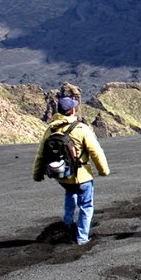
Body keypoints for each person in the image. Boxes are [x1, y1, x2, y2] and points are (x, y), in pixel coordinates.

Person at [32, 95, 110, 245]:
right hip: (82, 176)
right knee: (86, 206)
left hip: (62, 176)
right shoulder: (81, 129)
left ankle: (67, 225)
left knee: (70, 193)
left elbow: (41, 155)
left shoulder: (51, 129)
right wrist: (103, 171)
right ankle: (82, 238)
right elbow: (96, 152)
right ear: (73, 110)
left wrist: (37, 175)